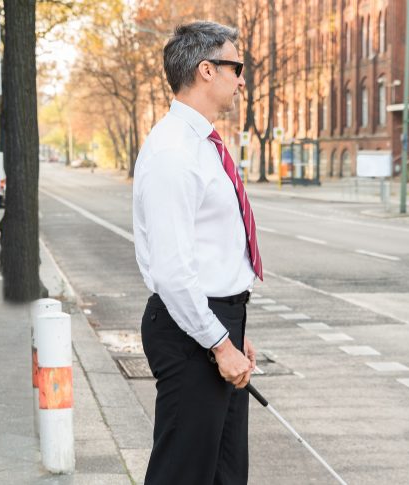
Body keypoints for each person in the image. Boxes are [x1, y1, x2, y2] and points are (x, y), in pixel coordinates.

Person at [132, 20, 262, 485]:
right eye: (236, 67)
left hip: (215, 323)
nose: (241, 79)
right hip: (191, 333)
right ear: (206, 70)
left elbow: (215, 248)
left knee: (226, 474)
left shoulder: (204, 145)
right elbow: (172, 271)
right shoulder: (173, 151)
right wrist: (218, 341)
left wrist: (234, 327)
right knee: (182, 474)